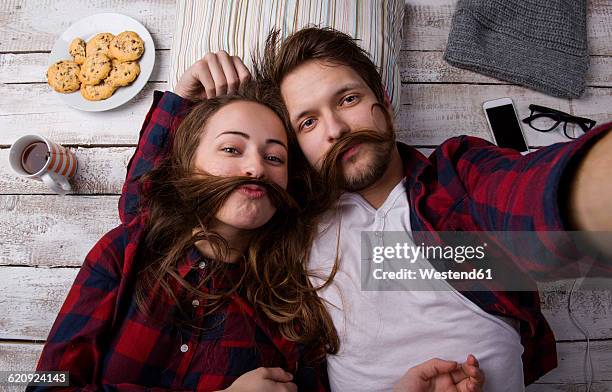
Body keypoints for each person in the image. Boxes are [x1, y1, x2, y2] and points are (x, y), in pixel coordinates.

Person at [138, 26, 612, 392]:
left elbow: (529, 197)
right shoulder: (286, 223)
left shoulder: (454, 181)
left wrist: (587, 190)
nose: (337, 129)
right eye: (307, 122)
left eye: (348, 99)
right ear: (296, 146)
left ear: (383, 102)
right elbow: (151, 222)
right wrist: (181, 109)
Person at [29, 78, 485, 391]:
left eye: (275, 157)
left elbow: (500, 258)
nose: (254, 167)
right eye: (232, 149)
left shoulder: (295, 297)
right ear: (189, 164)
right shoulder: (125, 251)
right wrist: (179, 100)